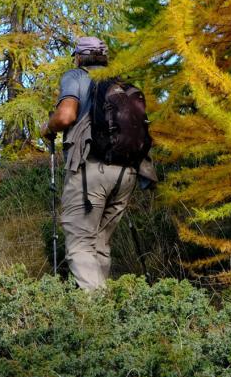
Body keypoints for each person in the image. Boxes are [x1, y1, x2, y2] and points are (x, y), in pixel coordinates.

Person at [40, 35, 154, 289]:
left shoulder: (77, 76)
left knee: (80, 244)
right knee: (99, 243)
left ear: (79, 57)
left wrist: (47, 127)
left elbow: (66, 115)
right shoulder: (120, 84)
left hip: (91, 170)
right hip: (127, 172)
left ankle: (95, 316)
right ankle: (105, 308)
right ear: (105, 58)